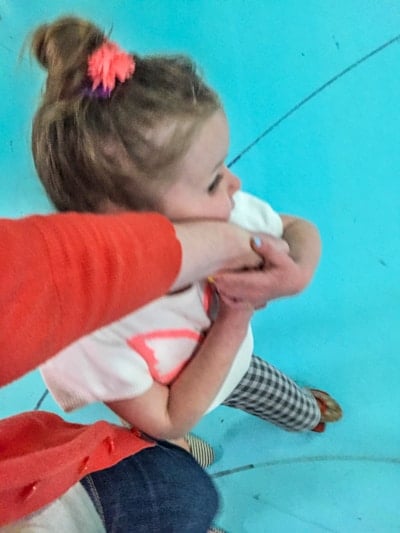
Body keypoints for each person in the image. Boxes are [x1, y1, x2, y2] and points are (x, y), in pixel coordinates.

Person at [30, 14, 342, 470]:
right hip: (163, 406)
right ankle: (186, 462)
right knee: (166, 456)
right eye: (215, 178)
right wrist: (234, 315)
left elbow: (298, 229)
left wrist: (296, 274)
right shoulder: (87, 330)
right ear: (134, 225)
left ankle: (305, 414)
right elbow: (167, 418)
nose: (234, 185)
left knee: (276, 396)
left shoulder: (217, 212)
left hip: (236, 368)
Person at [0, 211, 296, 532]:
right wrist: (236, 316)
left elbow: (290, 229)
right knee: (183, 484)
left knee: (179, 469)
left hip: (81, 471)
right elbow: (164, 418)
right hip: (106, 484)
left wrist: (284, 264)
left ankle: (186, 452)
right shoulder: (81, 349)